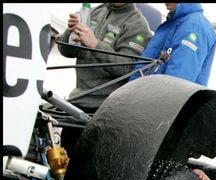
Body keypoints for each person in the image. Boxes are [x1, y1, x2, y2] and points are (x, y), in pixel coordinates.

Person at [56, 3, 152, 153]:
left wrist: (95, 44)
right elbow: (66, 50)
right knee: (62, 168)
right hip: (77, 105)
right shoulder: (95, 12)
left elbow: (127, 68)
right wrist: (69, 33)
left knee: (85, 171)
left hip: (104, 114)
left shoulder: (137, 25)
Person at [129, 3, 216, 85]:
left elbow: (178, 81)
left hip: (160, 98)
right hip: (143, 95)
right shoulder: (175, 22)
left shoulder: (193, 26)